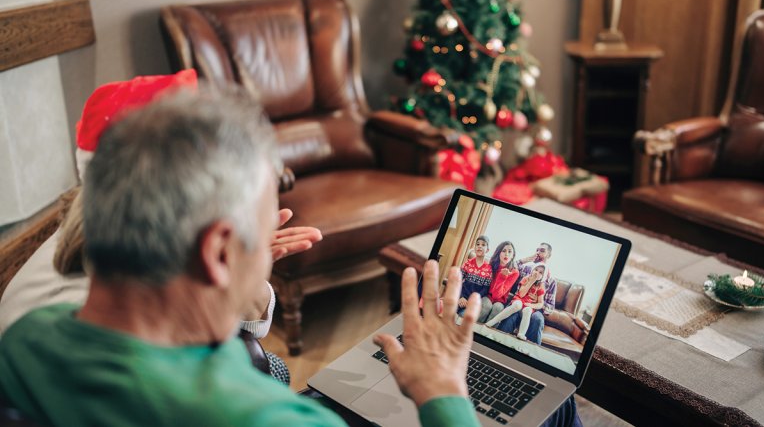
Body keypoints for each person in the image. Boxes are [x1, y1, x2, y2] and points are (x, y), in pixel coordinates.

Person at [0, 87, 483, 426]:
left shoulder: (27, 339)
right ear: (217, 252)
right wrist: (443, 391)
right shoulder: (265, 418)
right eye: (266, 219)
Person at [498, 243, 557, 345]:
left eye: (542, 251)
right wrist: (526, 259)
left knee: (537, 319)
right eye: (537, 250)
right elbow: (509, 266)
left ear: (549, 255)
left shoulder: (551, 281)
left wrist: (538, 301)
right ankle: (497, 342)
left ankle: (530, 351)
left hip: (535, 309)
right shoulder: (526, 269)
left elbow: (550, 308)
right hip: (518, 303)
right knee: (512, 314)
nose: (538, 252)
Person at [484, 264, 547, 338]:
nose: (537, 273)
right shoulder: (526, 279)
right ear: (532, 270)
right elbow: (521, 294)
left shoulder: (541, 286)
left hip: (528, 304)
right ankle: (493, 322)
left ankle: (521, 334)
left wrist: (531, 305)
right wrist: (531, 282)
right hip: (519, 299)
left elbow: (540, 303)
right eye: (536, 270)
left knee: (528, 310)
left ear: (543, 277)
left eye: (540, 272)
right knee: (517, 305)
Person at [482, 241, 520, 324]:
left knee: (498, 308)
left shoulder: (514, 272)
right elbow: (490, 292)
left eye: (509, 252)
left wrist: (502, 277)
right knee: (486, 305)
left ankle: (486, 331)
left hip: (500, 300)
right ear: (499, 253)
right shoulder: (491, 265)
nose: (506, 254)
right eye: (503, 251)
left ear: (513, 255)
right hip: (488, 296)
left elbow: (497, 295)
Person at [457, 235, 493, 319]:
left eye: (483, 245)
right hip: (461, 297)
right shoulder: (467, 263)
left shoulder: (489, 269)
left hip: (473, 301)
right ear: (475, 248)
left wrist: (471, 300)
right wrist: (461, 297)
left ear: (487, 250)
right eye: (478, 244)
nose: (480, 246)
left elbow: (485, 289)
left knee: (463, 316)